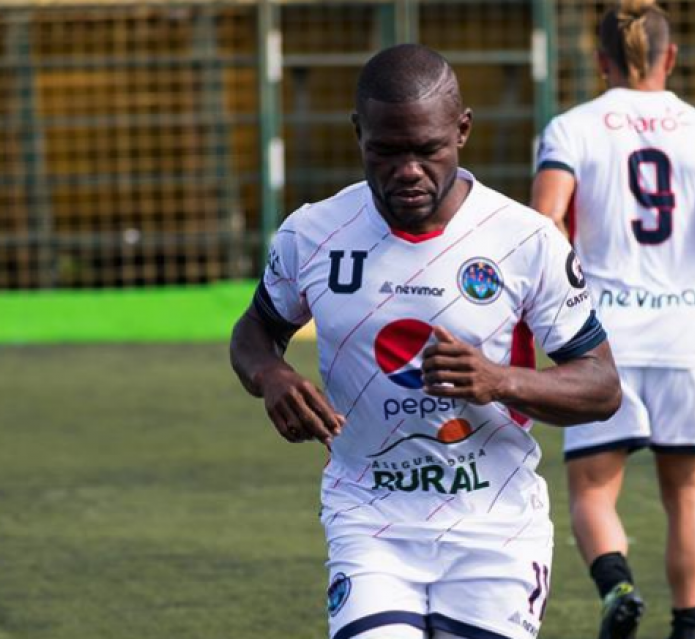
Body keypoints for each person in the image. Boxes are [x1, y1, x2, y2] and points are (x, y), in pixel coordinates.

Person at [230, 43, 623, 639]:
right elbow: (256, 329)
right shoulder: (313, 233)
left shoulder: (524, 240)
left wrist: (500, 381)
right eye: (386, 151)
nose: (407, 170)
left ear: (462, 131)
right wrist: (272, 376)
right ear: (358, 133)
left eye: (427, 150)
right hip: (370, 517)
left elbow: (602, 386)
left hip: (495, 527)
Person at [530, 2, 695, 638]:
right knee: (687, 492)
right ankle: (687, 629)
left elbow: (546, 217)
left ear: (601, 61)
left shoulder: (572, 128)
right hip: (683, 336)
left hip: (602, 342)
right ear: (671, 57)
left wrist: (559, 299)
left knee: (592, 489)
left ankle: (618, 586)